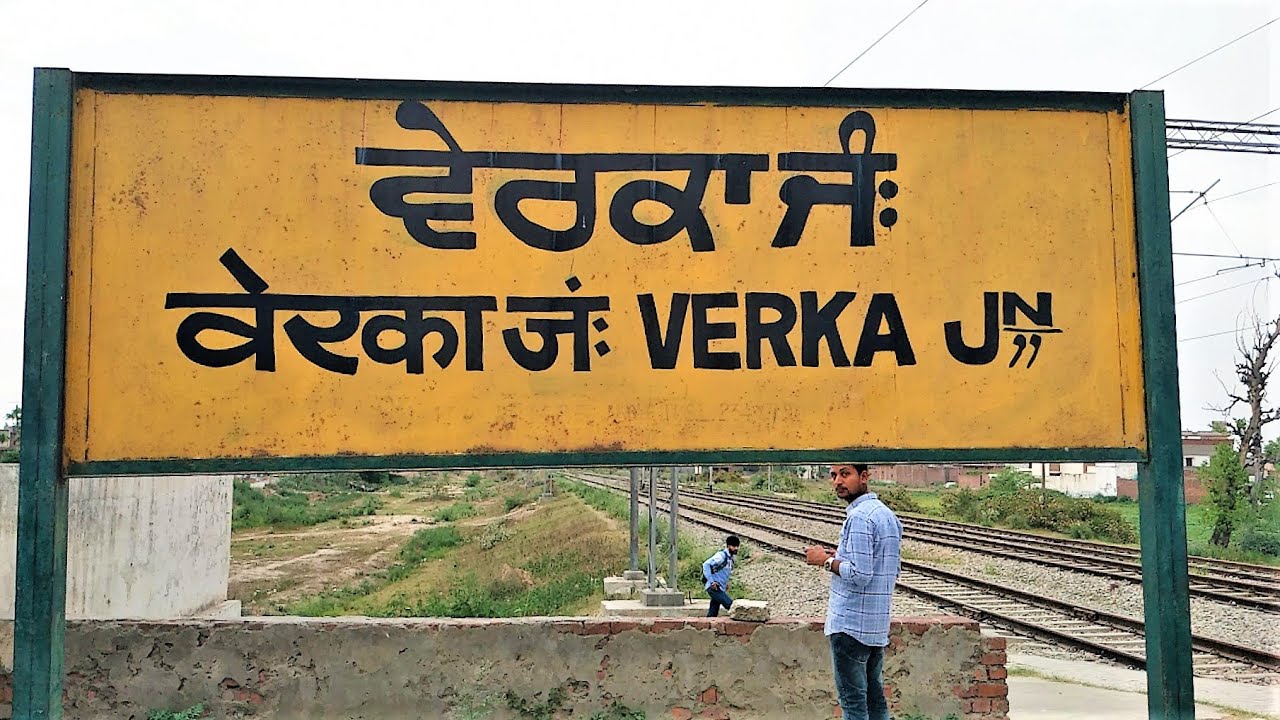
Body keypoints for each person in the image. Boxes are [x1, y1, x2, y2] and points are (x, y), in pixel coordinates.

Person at [804, 464, 902, 720]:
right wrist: (840, 557)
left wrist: (823, 561)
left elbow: (860, 574)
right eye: (834, 475)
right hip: (876, 626)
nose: (837, 481)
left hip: (850, 626)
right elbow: (886, 566)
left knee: (854, 706)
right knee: (875, 701)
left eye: (845, 474)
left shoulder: (858, 518)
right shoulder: (887, 516)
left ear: (864, 477)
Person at [701, 535, 740, 617]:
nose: (736, 548)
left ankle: (708, 627)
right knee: (730, 606)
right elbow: (706, 565)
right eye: (734, 546)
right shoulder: (721, 556)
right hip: (714, 588)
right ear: (728, 546)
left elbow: (725, 572)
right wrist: (712, 582)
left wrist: (726, 583)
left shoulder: (731, 559)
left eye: (737, 546)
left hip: (720, 588)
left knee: (713, 612)